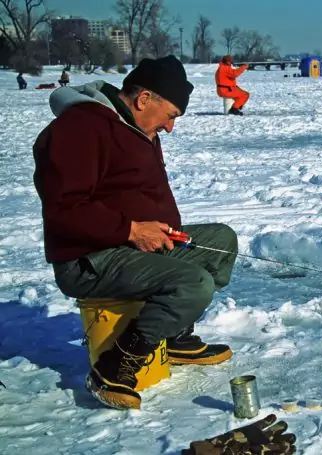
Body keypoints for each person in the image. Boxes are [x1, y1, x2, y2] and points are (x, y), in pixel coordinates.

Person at [32, 55, 238, 411]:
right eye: (171, 115)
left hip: (129, 245)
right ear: (144, 99)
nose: (171, 128)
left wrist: (157, 230)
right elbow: (63, 208)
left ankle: (173, 335)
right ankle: (115, 364)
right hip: (88, 260)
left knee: (221, 243)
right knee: (194, 282)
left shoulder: (136, 127)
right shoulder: (80, 127)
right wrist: (130, 230)